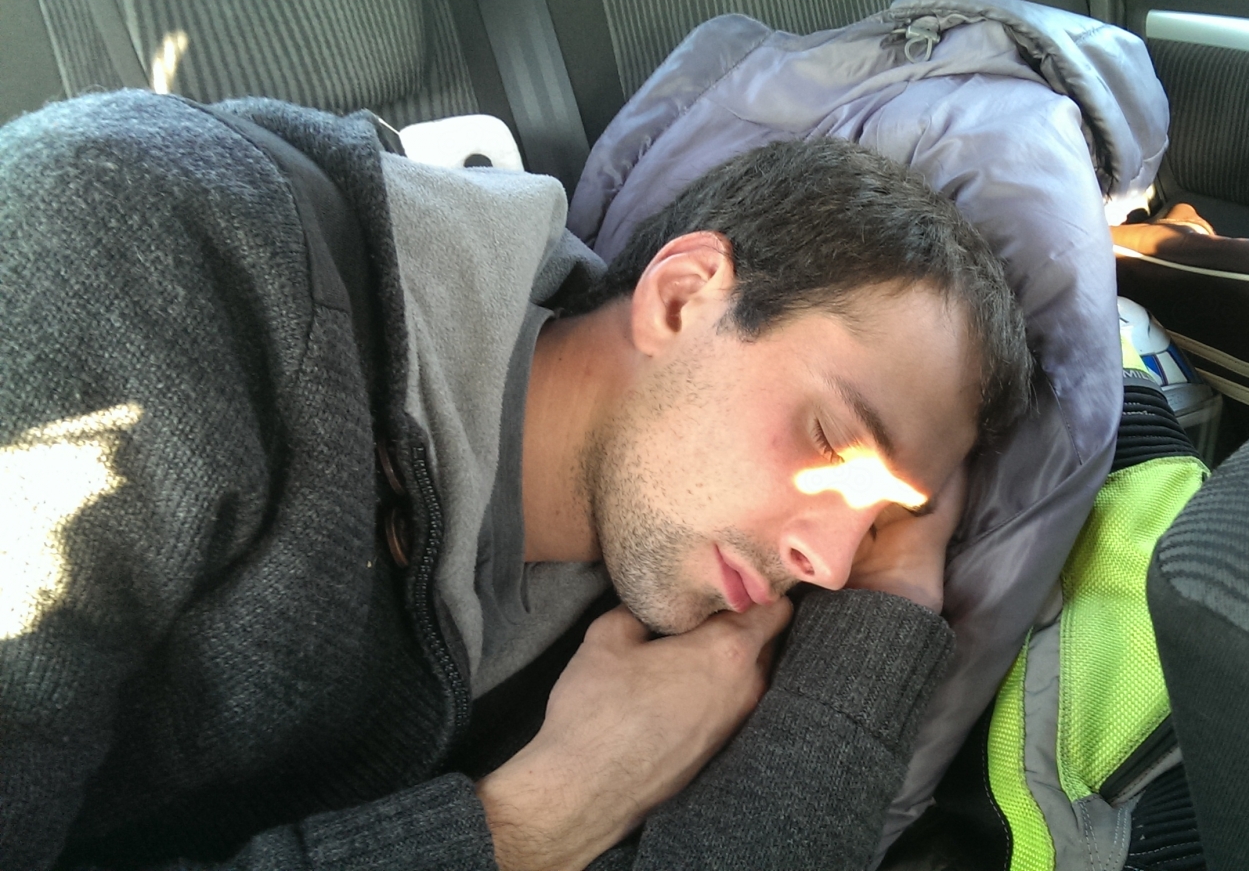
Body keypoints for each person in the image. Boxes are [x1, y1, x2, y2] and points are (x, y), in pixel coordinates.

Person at [0, 91, 1032, 870]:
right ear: (680, 298)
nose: (829, 562)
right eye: (834, 441)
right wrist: (536, 821)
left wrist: (893, 601)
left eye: (880, 523)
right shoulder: (137, 247)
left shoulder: (649, 636)